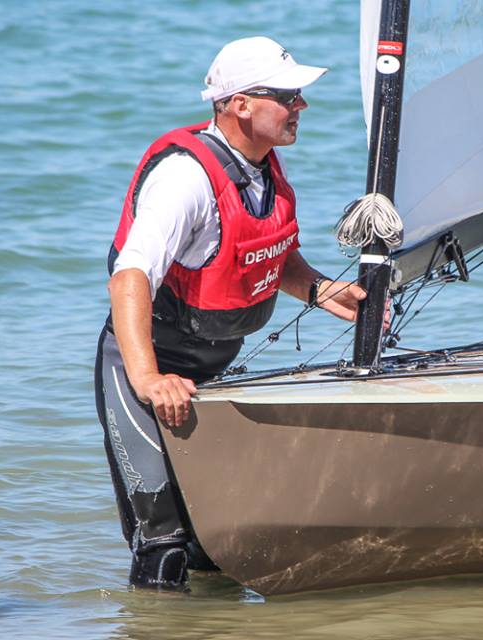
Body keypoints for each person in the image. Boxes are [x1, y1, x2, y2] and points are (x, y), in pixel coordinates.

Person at [94, 36, 365, 589]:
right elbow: (131, 275)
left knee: (218, 546)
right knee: (165, 546)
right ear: (239, 103)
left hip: (209, 374)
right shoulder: (184, 178)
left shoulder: (264, 169)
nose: (301, 107)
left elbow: (264, 254)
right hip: (143, 372)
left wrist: (320, 290)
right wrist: (148, 378)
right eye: (288, 96)